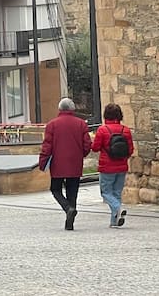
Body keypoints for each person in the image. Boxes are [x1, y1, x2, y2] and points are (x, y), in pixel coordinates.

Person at [38, 97, 92, 230]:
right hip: (75, 162)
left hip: (58, 163)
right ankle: (70, 218)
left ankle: (67, 208)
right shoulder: (81, 124)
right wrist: (81, 155)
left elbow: (47, 146)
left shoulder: (52, 124)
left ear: (60, 109)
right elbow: (87, 144)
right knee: (72, 191)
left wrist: (43, 161)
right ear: (73, 109)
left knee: (55, 189)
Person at [91, 102, 135, 228]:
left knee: (105, 192)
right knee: (116, 193)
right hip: (122, 166)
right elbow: (130, 150)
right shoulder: (125, 130)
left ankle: (118, 208)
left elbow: (95, 148)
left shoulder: (102, 130)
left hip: (107, 166)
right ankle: (114, 221)